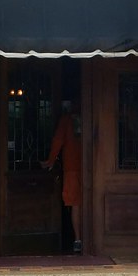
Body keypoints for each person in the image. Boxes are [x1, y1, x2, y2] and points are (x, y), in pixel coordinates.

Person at [44, 100, 83, 253]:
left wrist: (50, 161)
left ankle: (78, 239)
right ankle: (89, 238)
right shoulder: (89, 117)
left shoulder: (66, 120)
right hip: (91, 168)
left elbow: (58, 141)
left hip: (71, 167)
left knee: (75, 204)